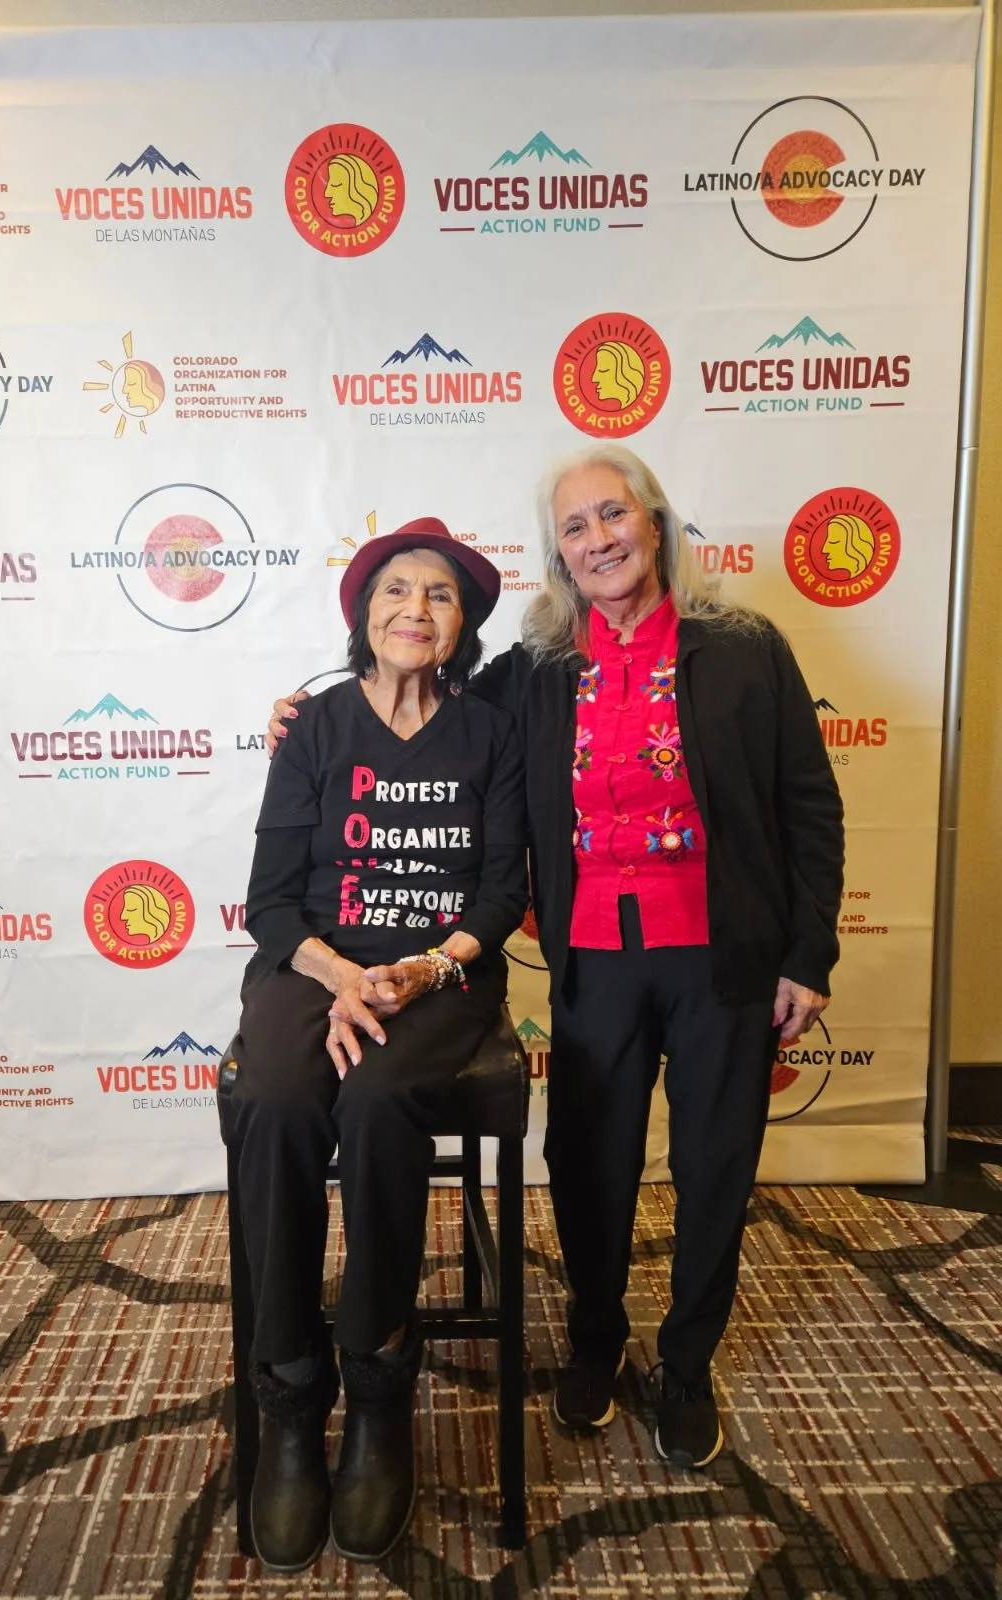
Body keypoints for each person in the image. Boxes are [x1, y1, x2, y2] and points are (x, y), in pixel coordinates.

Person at [270, 445, 843, 1474]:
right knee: (590, 1162)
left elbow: (809, 801)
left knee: (715, 1164)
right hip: (596, 956)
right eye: (574, 528)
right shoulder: (535, 666)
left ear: (654, 523)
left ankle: (687, 1364)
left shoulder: (744, 647)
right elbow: (419, 683)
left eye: (613, 515)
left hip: (728, 953)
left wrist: (809, 953)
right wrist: (308, 714)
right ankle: (595, 1336)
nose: (598, 540)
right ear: (558, 555)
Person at [232, 519, 526, 1571]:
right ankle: (288, 1386)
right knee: (275, 1097)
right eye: (396, 589)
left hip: (437, 973)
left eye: (439, 594)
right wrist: (342, 976)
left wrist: (425, 968)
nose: (416, 608)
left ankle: (377, 1373)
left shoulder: (491, 733)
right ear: (364, 612)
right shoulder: (314, 727)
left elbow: (501, 893)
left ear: (462, 623)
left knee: (377, 1098)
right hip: (315, 966)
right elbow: (271, 902)